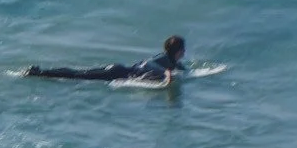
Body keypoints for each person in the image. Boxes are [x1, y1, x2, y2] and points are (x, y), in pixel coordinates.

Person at [27, 35, 185, 84]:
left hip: (119, 71)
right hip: (118, 73)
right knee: (78, 75)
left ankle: (41, 72)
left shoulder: (173, 62)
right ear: (177, 51)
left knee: (79, 74)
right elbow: (148, 63)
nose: (184, 52)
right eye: (183, 49)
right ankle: (40, 73)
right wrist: (165, 73)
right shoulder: (164, 59)